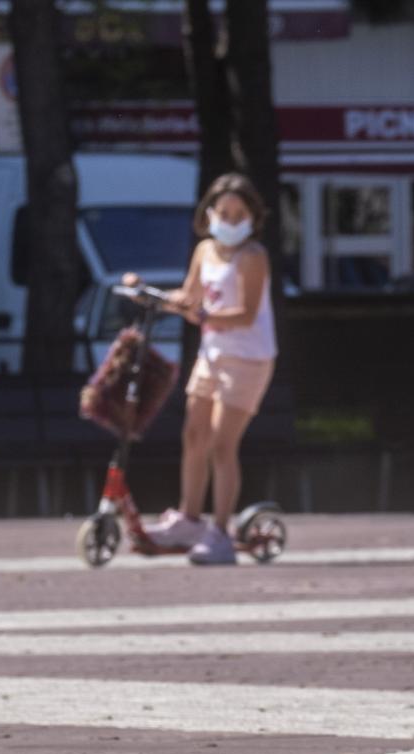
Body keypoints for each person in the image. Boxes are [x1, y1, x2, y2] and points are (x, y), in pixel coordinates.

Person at [128, 172, 277, 565]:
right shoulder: (205, 251)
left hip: (247, 357)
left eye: (239, 214)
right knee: (194, 435)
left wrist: (205, 314)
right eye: (223, 213)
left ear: (252, 217)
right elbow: (189, 296)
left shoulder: (253, 257)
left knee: (222, 445)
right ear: (210, 213)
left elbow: (245, 313)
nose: (230, 222)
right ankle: (189, 518)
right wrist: (151, 295)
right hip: (212, 353)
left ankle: (221, 534)